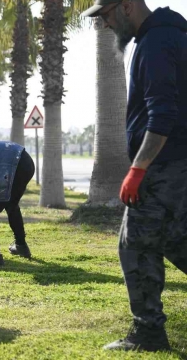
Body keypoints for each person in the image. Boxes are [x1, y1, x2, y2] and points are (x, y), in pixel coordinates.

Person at [82, 0, 187, 352]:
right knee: (174, 239)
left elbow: (163, 115)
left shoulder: (155, 43)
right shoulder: (174, 37)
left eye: (107, 15)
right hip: (177, 165)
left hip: (164, 166)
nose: (106, 24)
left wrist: (137, 170)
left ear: (126, 6)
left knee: (136, 245)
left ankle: (148, 334)